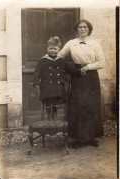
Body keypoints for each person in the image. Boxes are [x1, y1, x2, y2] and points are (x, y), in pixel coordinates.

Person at [58, 19, 105, 148]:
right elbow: (60, 56)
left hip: (91, 77)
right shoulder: (71, 44)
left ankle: (91, 137)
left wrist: (87, 67)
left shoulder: (95, 44)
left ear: (89, 29)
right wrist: (72, 69)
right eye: (80, 27)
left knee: (91, 105)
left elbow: (101, 62)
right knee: (78, 106)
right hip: (77, 77)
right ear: (76, 30)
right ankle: (78, 138)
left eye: (85, 27)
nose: (83, 29)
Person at [33, 36, 68, 121]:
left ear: (59, 50)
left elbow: (66, 70)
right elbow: (37, 72)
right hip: (46, 85)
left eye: (55, 49)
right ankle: (49, 116)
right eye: (51, 49)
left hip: (58, 85)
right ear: (47, 49)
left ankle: (54, 115)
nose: (53, 50)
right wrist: (36, 82)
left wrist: (66, 78)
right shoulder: (43, 61)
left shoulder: (61, 60)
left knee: (56, 100)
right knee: (48, 100)